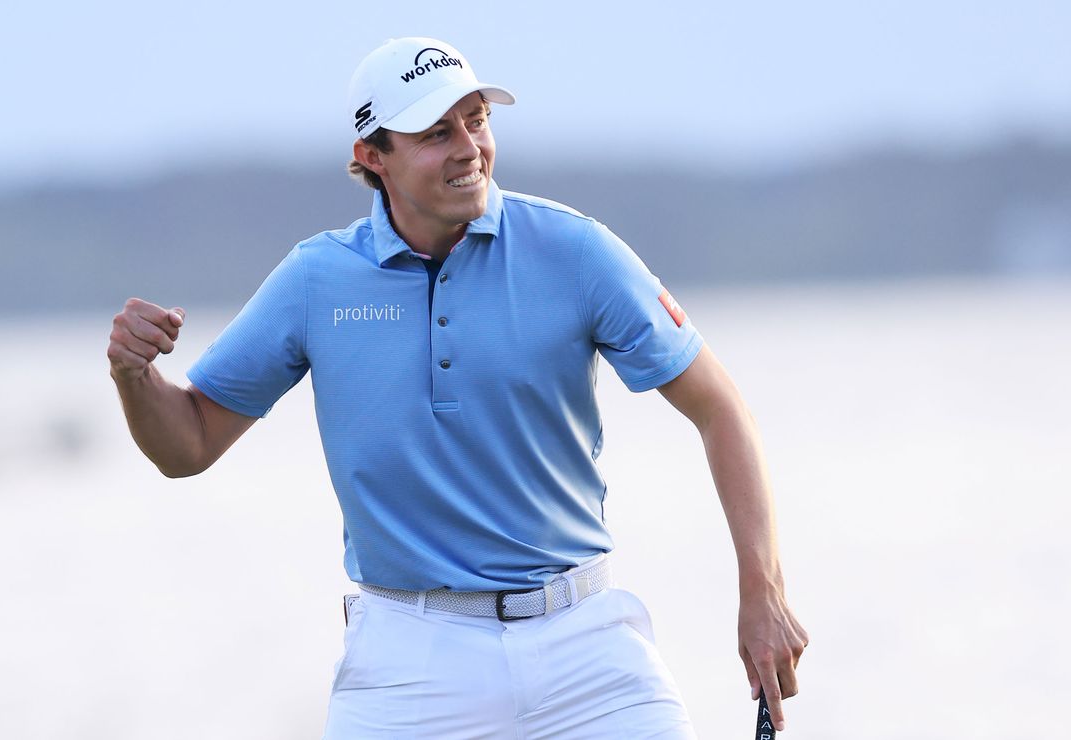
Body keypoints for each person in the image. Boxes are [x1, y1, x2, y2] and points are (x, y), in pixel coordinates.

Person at [107, 36, 807, 738]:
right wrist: (135, 377)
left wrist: (762, 589)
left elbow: (720, 408)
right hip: (408, 663)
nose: (469, 146)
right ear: (371, 158)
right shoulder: (317, 280)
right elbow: (188, 444)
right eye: (437, 132)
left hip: (585, 647)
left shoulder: (576, 250)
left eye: (477, 120)